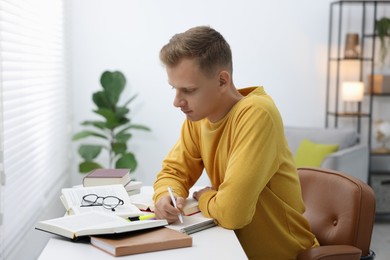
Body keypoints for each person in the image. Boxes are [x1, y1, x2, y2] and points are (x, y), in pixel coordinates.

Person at [152, 25, 319, 259]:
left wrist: (205, 196)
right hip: (231, 249)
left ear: (222, 81)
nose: (177, 102)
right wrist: (165, 196)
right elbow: (174, 171)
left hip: (282, 255)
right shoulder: (198, 118)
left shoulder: (257, 114)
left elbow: (233, 213)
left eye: (188, 90)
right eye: (174, 89)